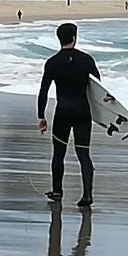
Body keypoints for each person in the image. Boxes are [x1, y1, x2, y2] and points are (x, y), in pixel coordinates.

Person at [37, 22, 101, 207]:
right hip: (82, 112)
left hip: (62, 113)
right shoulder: (86, 60)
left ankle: (57, 192)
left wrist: (41, 116)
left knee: (58, 154)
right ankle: (87, 196)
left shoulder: (52, 62)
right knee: (83, 154)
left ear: (59, 39)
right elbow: (98, 88)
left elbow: (43, 91)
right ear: (74, 37)